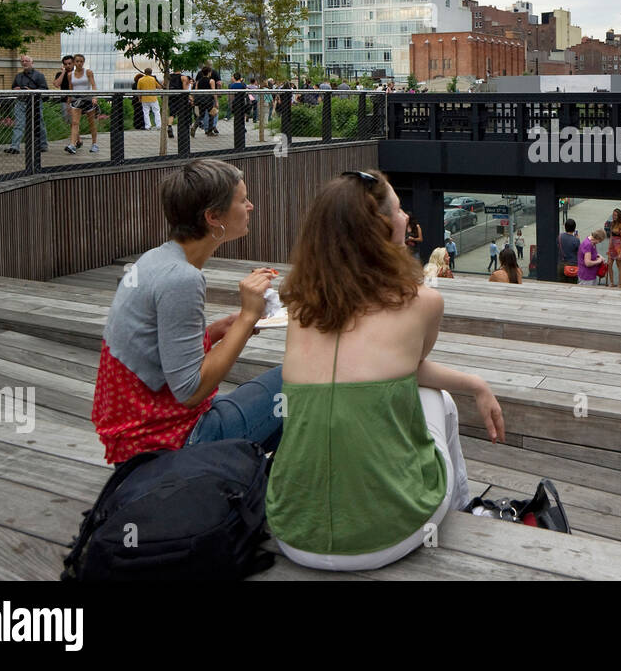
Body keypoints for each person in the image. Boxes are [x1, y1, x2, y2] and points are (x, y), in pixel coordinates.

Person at [266, 170, 504, 571]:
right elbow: (410, 369)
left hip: (292, 531)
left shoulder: (300, 309)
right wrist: (475, 387)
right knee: (438, 400)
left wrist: (474, 383)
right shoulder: (423, 302)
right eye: (398, 210)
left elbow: (393, 368)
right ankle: (464, 506)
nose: (406, 217)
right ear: (381, 228)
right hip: (387, 535)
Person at [92, 159, 281, 464]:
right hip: (168, 444)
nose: (251, 206)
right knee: (298, 381)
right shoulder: (181, 278)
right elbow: (191, 391)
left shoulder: (155, 258)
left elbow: (162, 353)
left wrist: (221, 329)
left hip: (134, 437)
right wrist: (247, 317)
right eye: (243, 199)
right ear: (213, 216)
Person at [6, 54, 48, 154]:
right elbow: (13, 88)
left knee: (39, 124)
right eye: (22, 61)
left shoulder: (39, 75)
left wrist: (32, 90)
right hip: (20, 102)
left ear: (32, 63)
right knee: (19, 125)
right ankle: (14, 147)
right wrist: (15, 90)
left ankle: (42, 145)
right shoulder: (18, 76)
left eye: (26, 61)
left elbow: (45, 89)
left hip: (35, 102)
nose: (24, 63)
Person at [63, 54, 99, 154]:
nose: (79, 63)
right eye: (77, 61)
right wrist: (68, 103)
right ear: (74, 62)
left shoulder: (88, 72)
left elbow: (93, 85)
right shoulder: (70, 74)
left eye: (81, 61)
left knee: (91, 123)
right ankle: (72, 145)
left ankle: (94, 144)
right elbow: (71, 88)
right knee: (74, 123)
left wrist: (94, 97)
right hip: (76, 101)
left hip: (87, 100)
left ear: (83, 62)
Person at [193, 65, 218, 137]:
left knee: (201, 115)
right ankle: (209, 131)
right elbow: (214, 92)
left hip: (201, 100)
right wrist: (216, 102)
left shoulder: (198, 81)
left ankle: (194, 126)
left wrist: (195, 100)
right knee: (212, 114)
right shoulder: (211, 81)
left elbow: (196, 91)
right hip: (209, 100)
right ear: (209, 73)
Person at [607, 208, 621, 287]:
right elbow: (611, 237)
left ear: (619, 216)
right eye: (613, 215)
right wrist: (609, 249)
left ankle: (620, 284)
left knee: (619, 266)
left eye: (615, 215)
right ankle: (611, 282)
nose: (614, 216)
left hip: (618, 247)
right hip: (612, 247)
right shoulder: (612, 224)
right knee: (609, 265)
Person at [557, 219, 580, 283]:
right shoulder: (576, 240)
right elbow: (579, 252)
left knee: (561, 285)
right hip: (572, 267)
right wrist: (578, 239)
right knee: (572, 285)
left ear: (565, 227)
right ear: (574, 228)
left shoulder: (560, 237)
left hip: (561, 265)